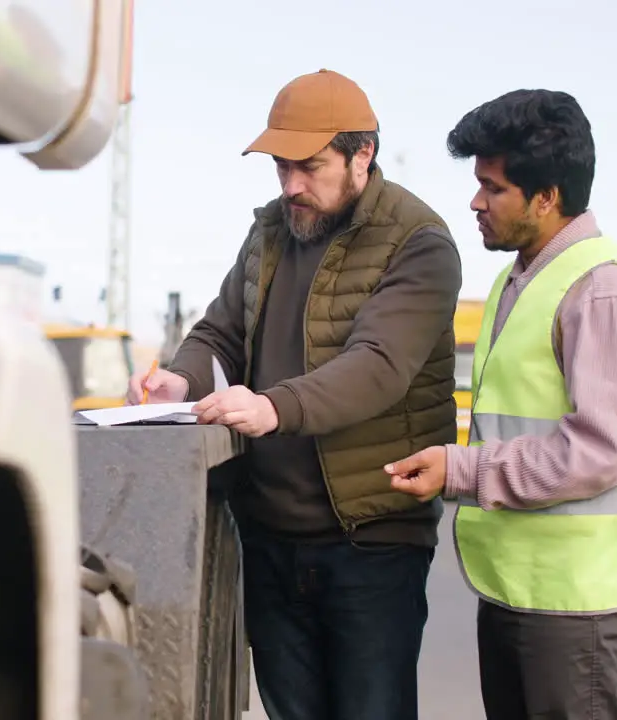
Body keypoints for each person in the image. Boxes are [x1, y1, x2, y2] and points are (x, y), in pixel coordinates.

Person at [127, 69, 462, 720]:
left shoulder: (418, 243)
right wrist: (182, 377)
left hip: (370, 544)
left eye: (308, 167)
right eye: (281, 167)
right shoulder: (270, 233)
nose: (290, 186)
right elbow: (217, 330)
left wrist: (272, 405)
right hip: (271, 540)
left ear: (362, 155)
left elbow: (379, 365)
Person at [386, 88, 617, 720]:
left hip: (580, 603)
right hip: (526, 592)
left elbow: (603, 448)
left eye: (492, 188)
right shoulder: (520, 279)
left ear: (546, 197)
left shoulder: (604, 292)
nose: (475, 201)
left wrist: (461, 470)